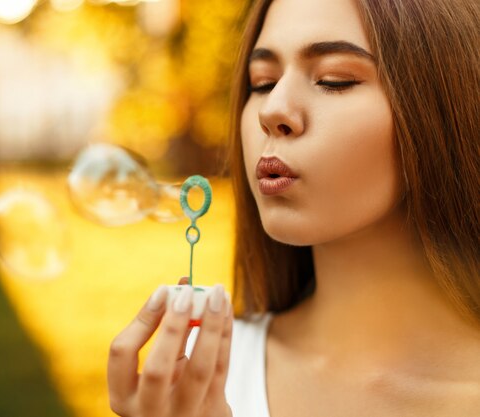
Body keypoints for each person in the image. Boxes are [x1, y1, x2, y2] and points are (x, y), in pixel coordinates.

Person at [107, 0, 480, 415]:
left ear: (446, 107)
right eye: (263, 82)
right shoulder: (196, 378)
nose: (272, 110)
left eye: (333, 80)